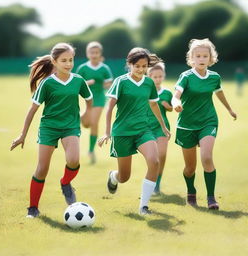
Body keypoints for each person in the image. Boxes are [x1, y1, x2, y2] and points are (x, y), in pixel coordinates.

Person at [10, 42, 93, 218]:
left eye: (71, 60)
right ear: (54, 62)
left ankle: (65, 183)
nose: (69, 64)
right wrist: (22, 135)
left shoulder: (78, 80)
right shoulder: (47, 83)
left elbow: (89, 98)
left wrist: (87, 114)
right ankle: (33, 208)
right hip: (49, 128)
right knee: (42, 169)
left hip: (70, 126)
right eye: (64, 60)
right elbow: (32, 109)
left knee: (73, 160)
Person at [98, 47, 171, 215]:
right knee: (125, 176)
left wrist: (163, 126)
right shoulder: (121, 82)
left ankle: (143, 206)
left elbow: (154, 105)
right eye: (137, 66)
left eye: (144, 66)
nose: (141, 69)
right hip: (122, 133)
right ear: (129, 65)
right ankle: (113, 177)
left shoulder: (149, 83)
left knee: (154, 161)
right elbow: (109, 107)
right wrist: (107, 132)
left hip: (143, 131)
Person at [171, 38, 237, 210]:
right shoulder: (185, 76)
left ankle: (211, 197)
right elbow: (176, 95)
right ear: (192, 58)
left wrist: (229, 109)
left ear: (211, 58)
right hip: (186, 125)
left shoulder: (214, 77)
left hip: (208, 121)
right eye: (198, 56)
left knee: (207, 158)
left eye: (205, 56)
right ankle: (191, 190)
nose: (201, 59)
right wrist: (176, 103)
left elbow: (219, 93)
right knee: (190, 168)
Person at [76, 41, 113, 164]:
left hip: (99, 99)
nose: (94, 54)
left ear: (100, 54)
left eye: (96, 52)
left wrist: (106, 85)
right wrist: (87, 83)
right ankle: (80, 116)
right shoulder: (82, 68)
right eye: (92, 52)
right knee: (86, 124)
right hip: (87, 99)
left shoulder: (105, 68)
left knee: (94, 122)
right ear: (88, 54)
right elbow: (76, 86)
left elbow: (109, 84)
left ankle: (91, 151)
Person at [147, 62, 173, 195]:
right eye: (155, 77)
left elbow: (173, 108)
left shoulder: (167, 93)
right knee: (153, 158)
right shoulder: (145, 91)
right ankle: (150, 183)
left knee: (161, 155)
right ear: (149, 76)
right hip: (146, 128)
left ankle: (157, 183)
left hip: (162, 128)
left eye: (160, 76)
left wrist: (167, 106)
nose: (158, 79)